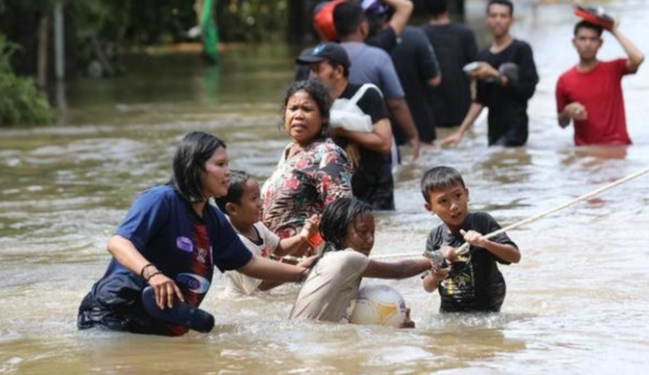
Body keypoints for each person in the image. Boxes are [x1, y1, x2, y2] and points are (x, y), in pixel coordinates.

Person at [77, 132, 311, 336]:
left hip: (162, 325)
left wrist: (305, 274)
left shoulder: (214, 219)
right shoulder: (161, 200)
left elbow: (248, 263)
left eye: (227, 164)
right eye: (220, 165)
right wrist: (153, 275)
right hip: (112, 318)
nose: (228, 173)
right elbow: (118, 243)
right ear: (195, 167)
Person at [289, 197, 431, 324]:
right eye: (362, 232)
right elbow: (399, 270)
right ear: (339, 233)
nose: (370, 240)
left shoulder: (326, 259)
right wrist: (437, 257)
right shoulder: (349, 259)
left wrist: (395, 324)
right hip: (310, 340)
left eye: (372, 232)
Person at [297, 42, 395, 210]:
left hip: (375, 189)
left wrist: (342, 131)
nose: (312, 76)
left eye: (318, 69)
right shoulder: (315, 105)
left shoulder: (367, 94)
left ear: (339, 71)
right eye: (311, 70)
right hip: (340, 191)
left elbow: (385, 143)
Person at [261, 80, 353, 246]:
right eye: (293, 108)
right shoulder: (290, 150)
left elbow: (342, 215)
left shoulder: (328, 155)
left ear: (323, 117)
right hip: (277, 257)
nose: (298, 115)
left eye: (307, 109)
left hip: (306, 260)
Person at [420, 166, 521, 313]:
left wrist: (485, 243)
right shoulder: (435, 237)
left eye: (458, 196)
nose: (454, 206)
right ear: (430, 208)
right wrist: (435, 276)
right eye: (443, 201)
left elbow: (515, 256)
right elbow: (427, 286)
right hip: (450, 312)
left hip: (488, 310)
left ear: (466, 194)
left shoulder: (482, 222)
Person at [442, 0, 539, 147]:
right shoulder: (483, 56)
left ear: (511, 20)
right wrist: (460, 132)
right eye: (493, 16)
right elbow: (480, 100)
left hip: (516, 131)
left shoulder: (522, 49)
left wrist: (496, 75)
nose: (498, 20)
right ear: (487, 20)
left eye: (503, 16)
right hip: (493, 131)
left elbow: (527, 91)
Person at [333, 0, 421, 160]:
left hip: (333, 142)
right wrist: (413, 135)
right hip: (375, 139)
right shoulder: (378, 55)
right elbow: (396, 104)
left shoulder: (320, 60)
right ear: (363, 27)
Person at [215, 170, 320, 296]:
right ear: (232, 208)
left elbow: (279, 248)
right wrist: (298, 269)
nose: (260, 203)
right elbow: (261, 286)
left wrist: (303, 235)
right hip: (242, 302)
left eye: (259, 196)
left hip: (258, 297)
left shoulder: (256, 225)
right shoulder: (238, 242)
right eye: (253, 199)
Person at [555, 21, 644, 146]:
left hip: (618, 148)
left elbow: (638, 58)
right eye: (582, 39)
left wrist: (613, 30)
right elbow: (562, 123)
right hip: (586, 153)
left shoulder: (614, 69)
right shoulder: (564, 80)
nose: (588, 44)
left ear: (600, 43)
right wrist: (567, 112)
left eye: (593, 39)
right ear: (574, 42)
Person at [421, 0, 477, 129]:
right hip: (462, 110)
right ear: (447, 6)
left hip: (431, 112)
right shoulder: (466, 33)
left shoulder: (419, 35)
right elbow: (473, 71)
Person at [390, 25, 442, 144]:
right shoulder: (416, 36)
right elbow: (434, 80)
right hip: (420, 122)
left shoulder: (370, 40)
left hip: (384, 129)